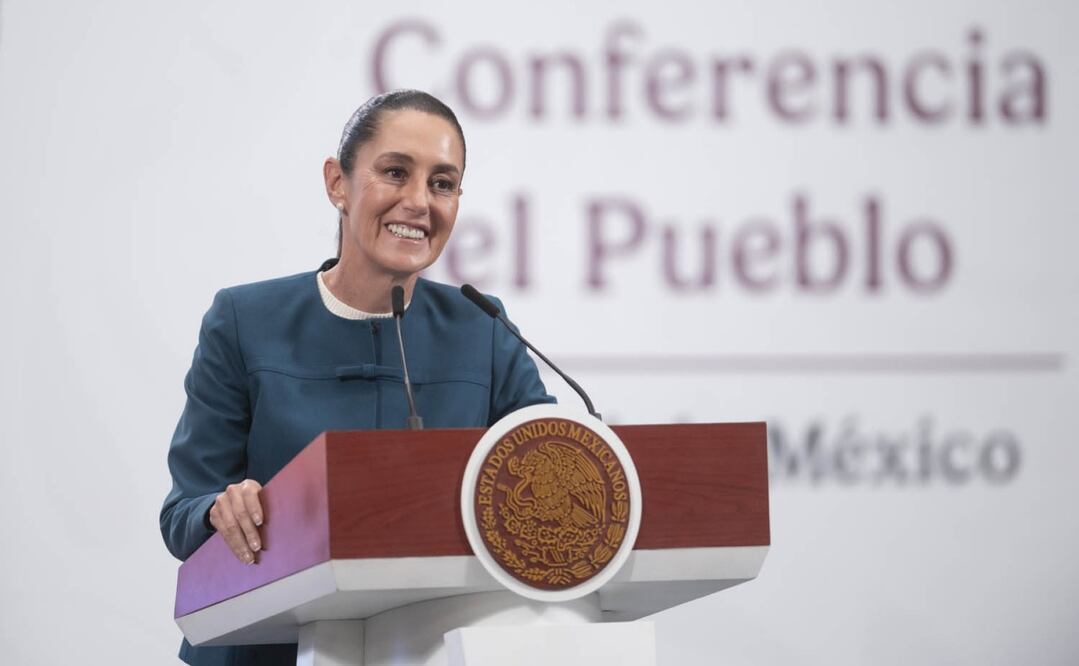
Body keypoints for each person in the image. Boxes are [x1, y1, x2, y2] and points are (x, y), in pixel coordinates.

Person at [160, 90, 555, 666]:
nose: (418, 201)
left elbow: (551, 468)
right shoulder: (244, 321)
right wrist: (220, 509)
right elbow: (182, 515)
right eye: (395, 172)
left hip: (431, 649)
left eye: (442, 183)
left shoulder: (482, 328)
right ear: (336, 183)